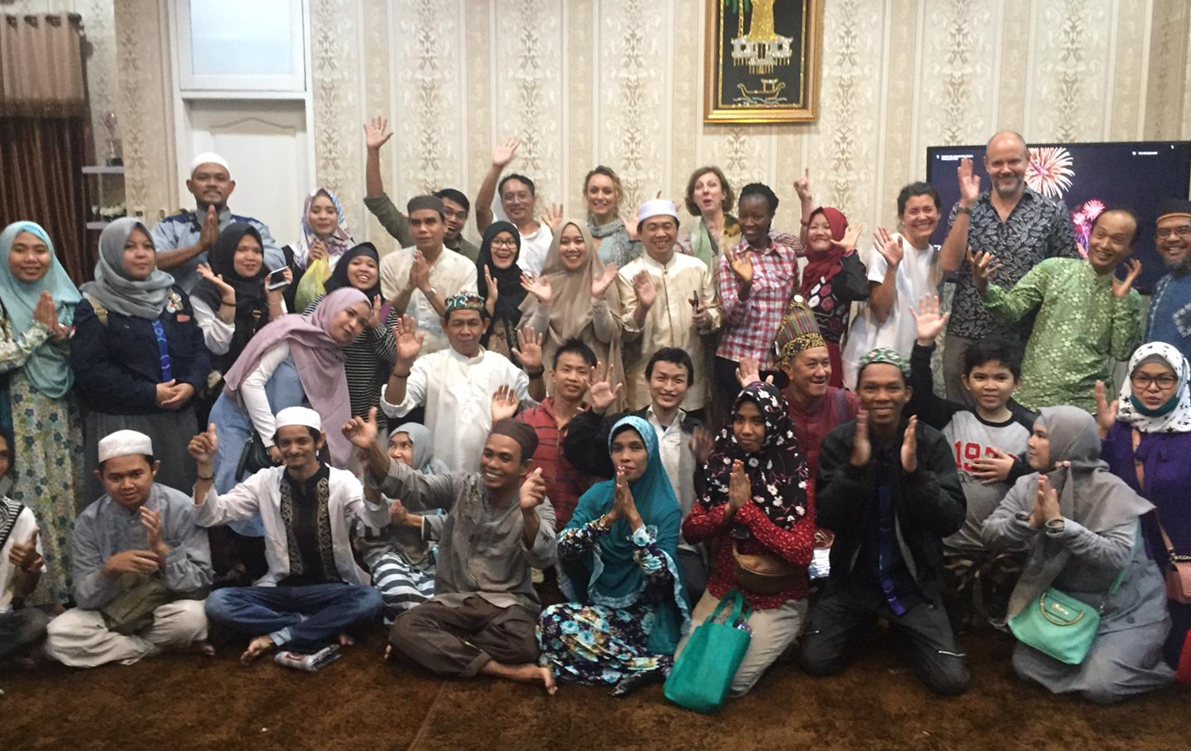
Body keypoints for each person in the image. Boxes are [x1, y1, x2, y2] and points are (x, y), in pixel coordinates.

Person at [346, 409, 558, 692]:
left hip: (507, 605)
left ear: (524, 467)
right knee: (403, 628)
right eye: (488, 454)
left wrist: (528, 512)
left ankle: (437, 650)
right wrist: (372, 446)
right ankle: (505, 670)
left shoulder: (537, 503)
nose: (492, 464)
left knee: (524, 643)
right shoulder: (462, 485)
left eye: (505, 458)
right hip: (454, 601)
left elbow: (543, 557)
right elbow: (410, 486)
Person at [799, 349, 970, 697]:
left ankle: (901, 628)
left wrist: (915, 474)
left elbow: (951, 519)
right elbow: (826, 515)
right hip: (853, 583)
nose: (881, 397)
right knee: (815, 660)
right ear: (858, 393)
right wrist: (855, 469)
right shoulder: (840, 442)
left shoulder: (931, 443)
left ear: (907, 393)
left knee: (951, 681)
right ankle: (867, 622)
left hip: (912, 585)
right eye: (871, 388)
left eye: (892, 388)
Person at [982, 407, 1175, 704]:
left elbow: (1115, 558)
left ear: (1069, 443)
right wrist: (1030, 522)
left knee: (1102, 687)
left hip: (1125, 610)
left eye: (1042, 436)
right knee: (1026, 666)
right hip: (1067, 604)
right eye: (1033, 434)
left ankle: (1152, 665)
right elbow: (990, 534)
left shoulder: (1112, 492)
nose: (1030, 443)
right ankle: (1092, 655)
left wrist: (1061, 526)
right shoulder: (1028, 485)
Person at [189, 408, 386, 664]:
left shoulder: (342, 481)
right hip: (281, 591)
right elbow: (209, 516)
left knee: (371, 599)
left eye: (301, 441)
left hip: (334, 590)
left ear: (320, 441)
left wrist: (371, 475)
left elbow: (376, 519)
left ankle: (279, 635)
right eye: (285, 443)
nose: (293, 449)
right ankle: (318, 626)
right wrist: (205, 467)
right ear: (278, 446)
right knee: (218, 602)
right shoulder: (264, 481)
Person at [679, 382, 815, 697]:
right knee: (685, 666)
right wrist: (729, 508)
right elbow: (692, 529)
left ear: (775, 423)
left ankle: (789, 633)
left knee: (733, 682)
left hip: (776, 596)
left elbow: (801, 552)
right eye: (739, 419)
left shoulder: (796, 477)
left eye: (757, 421)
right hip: (725, 589)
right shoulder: (725, 464)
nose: (746, 429)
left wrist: (749, 512)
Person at [909, 294, 1036, 630]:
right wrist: (924, 346)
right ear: (966, 381)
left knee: (1000, 619)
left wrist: (1016, 470)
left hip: (1008, 546)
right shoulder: (954, 417)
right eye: (980, 377)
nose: (990, 386)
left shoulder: (1031, 428)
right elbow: (918, 397)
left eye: (1000, 377)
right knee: (956, 622)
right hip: (955, 544)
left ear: (1016, 382)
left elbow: (1049, 476)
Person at [538, 416, 689, 695]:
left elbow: (662, 577)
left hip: (646, 615)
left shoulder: (666, 507)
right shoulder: (597, 496)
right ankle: (649, 666)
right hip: (600, 607)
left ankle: (633, 662)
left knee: (555, 652)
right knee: (549, 620)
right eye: (617, 448)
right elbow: (564, 547)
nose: (625, 457)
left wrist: (633, 518)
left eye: (635, 447)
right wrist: (607, 520)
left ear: (651, 452)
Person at [44, 430, 213, 668]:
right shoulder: (89, 521)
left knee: (191, 620)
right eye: (115, 477)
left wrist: (163, 551)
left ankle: (118, 647)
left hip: (167, 608)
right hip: (110, 611)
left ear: (154, 469)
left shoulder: (181, 508)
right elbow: (82, 597)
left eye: (136, 474)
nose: (127, 485)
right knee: (58, 636)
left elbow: (201, 582)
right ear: (100, 477)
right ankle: (152, 648)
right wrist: (108, 570)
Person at [72, 219, 210, 501]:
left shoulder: (174, 296)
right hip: (122, 423)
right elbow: (91, 371)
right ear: (110, 253)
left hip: (177, 422)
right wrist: (151, 393)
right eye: (129, 247)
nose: (141, 253)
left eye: (148, 246)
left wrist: (192, 385)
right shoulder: (94, 305)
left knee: (180, 505)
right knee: (126, 505)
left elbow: (199, 348)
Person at [938, 131, 1080, 402]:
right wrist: (967, 205)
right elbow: (948, 263)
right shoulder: (966, 208)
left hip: (1025, 337)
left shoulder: (1052, 211)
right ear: (987, 165)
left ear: (1027, 161)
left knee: (1020, 422)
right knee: (960, 419)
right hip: (968, 331)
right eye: (997, 163)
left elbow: (1068, 274)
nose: (1005, 170)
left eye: (1013, 161)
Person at [563, 348, 713, 601]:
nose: (668, 387)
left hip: (679, 540)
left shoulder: (697, 432)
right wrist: (594, 413)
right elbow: (580, 455)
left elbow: (711, 495)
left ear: (689, 386)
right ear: (648, 379)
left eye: (677, 380)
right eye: (661, 378)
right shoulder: (627, 426)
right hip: (622, 534)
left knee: (692, 588)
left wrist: (705, 465)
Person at [207, 287, 372, 499]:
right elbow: (250, 384)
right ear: (333, 307)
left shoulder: (332, 355)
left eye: (362, 323)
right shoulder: (292, 333)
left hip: (281, 440)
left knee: (269, 506)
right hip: (240, 425)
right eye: (349, 313)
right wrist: (271, 442)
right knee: (233, 499)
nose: (353, 325)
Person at [972, 208, 1143, 413]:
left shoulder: (1129, 297)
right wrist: (984, 287)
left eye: (1117, 240)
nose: (1105, 245)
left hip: (1087, 406)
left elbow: (1122, 352)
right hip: (1032, 398)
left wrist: (1122, 302)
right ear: (1090, 234)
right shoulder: (1053, 269)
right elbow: (1011, 311)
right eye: (1100, 235)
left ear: (1129, 247)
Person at [0, 222, 83, 603]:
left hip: (65, 412)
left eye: (40, 249)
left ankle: (72, 590)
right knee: (33, 499)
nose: (32, 258)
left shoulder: (68, 297)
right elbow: (4, 358)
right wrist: (38, 330)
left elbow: (83, 358)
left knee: (68, 495)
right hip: (19, 415)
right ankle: (32, 599)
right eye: (20, 249)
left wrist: (62, 337)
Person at [1095, 342, 1191, 672]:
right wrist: (1102, 433)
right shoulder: (1119, 428)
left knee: (1177, 656)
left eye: (1165, 379)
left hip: (1180, 560)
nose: (1152, 388)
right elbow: (1099, 483)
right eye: (1142, 378)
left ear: (1181, 382)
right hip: (1128, 558)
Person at [381, 294, 545, 472]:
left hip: (491, 475)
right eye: (458, 323)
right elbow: (394, 406)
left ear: (485, 326)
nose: (465, 331)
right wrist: (403, 364)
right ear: (445, 326)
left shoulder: (501, 366)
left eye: (473, 323)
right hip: (439, 477)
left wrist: (535, 372)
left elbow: (535, 405)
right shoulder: (430, 365)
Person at [740, 296, 859, 503]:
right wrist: (757, 399)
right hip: (785, 511)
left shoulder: (848, 403)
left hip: (837, 508)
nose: (822, 372)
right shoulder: (774, 406)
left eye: (825, 363)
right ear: (788, 370)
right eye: (812, 364)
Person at [617, 200, 721, 416]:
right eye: (652, 227)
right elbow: (625, 333)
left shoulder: (697, 267)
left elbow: (715, 312)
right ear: (640, 233)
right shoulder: (628, 274)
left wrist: (706, 318)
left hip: (691, 384)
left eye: (667, 226)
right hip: (644, 387)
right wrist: (642, 308)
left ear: (676, 229)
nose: (660, 233)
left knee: (690, 446)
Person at [842, 183, 945, 387]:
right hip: (873, 357)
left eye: (928, 209)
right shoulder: (889, 246)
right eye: (913, 211)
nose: (922, 217)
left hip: (910, 360)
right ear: (902, 217)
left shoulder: (935, 256)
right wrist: (892, 267)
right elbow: (881, 311)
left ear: (939, 213)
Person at [520, 218, 624, 410]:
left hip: (593, 378)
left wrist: (598, 300)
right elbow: (530, 340)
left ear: (588, 244)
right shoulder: (544, 282)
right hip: (552, 376)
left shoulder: (602, 280)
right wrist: (543, 305)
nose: (572, 248)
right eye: (564, 242)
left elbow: (608, 336)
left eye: (579, 241)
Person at [715, 183, 799, 412]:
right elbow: (730, 316)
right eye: (743, 216)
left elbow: (792, 304)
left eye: (757, 216)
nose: (749, 223)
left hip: (776, 363)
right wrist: (746, 285)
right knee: (746, 427)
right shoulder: (730, 258)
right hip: (736, 361)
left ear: (770, 216)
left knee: (772, 427)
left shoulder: (787, 256)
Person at [150, 152, 284, 294]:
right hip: (182, 311)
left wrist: (226, 249)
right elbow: (151, 262)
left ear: (231, 187)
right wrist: (199, 247)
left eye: (220, 179)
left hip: (241, 310)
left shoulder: (252, 227)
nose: (212, 184)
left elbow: (277, 262)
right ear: (190, 185)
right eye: (203, 178)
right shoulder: (170, 226)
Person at [357, 423, 448, 623]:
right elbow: (367, 529)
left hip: (434, 558)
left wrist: (411, 520)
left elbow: (455, 523)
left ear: (422, 448)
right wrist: (370, 481)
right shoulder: (378, 475)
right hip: (391, 554)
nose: (396, 453)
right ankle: (421, 626)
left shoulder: (439, 475)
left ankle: (415, 627)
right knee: (399, 592)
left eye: (405, 446)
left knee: (445, 599)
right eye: (392, 445)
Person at [305, 242, 398, 433]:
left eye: (371, 265)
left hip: (366, 420)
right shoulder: (326, 302)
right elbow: (303, 335)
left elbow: (397, 355)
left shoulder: (386, 310)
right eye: (356, 263)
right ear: (344, 266)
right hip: (323, 413)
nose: (364, 269)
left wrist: (375, 327)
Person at [505, 338, 596, 528]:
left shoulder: (596, 427)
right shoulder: (527, 419)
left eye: (581, 372)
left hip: (576, 527)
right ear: (553, 375)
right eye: (566, 369)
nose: (573, 377)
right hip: (525, 523)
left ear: (591, 379)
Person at [362, 117, 479, 262]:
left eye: (460, 215)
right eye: (448, 212)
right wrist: (373, 151)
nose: (453, 219)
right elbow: (378, 202)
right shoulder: (411, 231)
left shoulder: (472, 256)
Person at [792, 173, 868, 387]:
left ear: (838, 231)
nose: (819, 232)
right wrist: (805, 201)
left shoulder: (839, 272)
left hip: (824, 361)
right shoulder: (810, 271)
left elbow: (859, 290)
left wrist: (849, 250)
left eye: (827, 227)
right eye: (814, 227)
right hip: (797, 358)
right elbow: (804, 241)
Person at [379, 195, 479, 355]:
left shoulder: (464, 267)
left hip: (449, 358)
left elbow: (462, 319)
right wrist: (409, 288)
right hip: (401, 358)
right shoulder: (391, 263)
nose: (423, 229)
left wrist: (427, 288)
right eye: (416, 223)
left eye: (430, 222)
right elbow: (384, 318)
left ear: (444, 224)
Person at [190, 223, 288, 379]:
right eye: (241, 250)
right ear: (227, 251)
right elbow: (217, 347)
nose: (251, 257)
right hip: (221, 382)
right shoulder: (205, 294)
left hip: (265, 377)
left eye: (257, 251)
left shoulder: (266, 284)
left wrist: (274, 297)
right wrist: (228, 299)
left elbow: (283, 341)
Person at [0, 433, 49, 665]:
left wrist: (31, 566)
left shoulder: (19, 516)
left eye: (2, 456)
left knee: (35, 622)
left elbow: (23, 592)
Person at [475, 138, 552, 274]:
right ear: (503, 203)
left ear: (534, 200)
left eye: (522, 196)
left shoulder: (549, 233)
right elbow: (481, 209)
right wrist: (496, 168)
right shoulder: (497, 231)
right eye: (509, 197)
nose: (516, 202)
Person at [1145, 198, 1191, 361]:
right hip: (1158, 385)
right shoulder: (1162, 285)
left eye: (1183, 230)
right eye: (1163, 233)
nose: (1172, 238)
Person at [475, 221, 527, 362]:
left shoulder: (524, 283)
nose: (504, 247)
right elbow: (469, 332)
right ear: (487, 245)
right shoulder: (474, 280)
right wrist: (490, 302)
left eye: (510, 242)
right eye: (497, 242)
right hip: (478, 364)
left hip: (518, 367)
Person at [677, 166, 739, 269]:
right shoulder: (685, 242)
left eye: (712, 185)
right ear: (693, 198)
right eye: (698, 187)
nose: (705, 191)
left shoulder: (745, 231)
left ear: (724, 194)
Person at [287, 187, 356, 273]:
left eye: (330, 211)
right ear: (306, 216)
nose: (323, 216)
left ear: (339, 216)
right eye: (315, 211)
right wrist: (309, 269)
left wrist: (325, 268)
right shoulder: (289, 255)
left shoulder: (353, 255)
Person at [583, 165, 640, 267]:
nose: (600, 197)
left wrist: (636, 240)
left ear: (617, 196)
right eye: (594, 191)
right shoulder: (579, 233)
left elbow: (636, 274)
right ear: (586, 195)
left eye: (607, 191)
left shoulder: (628, 233)